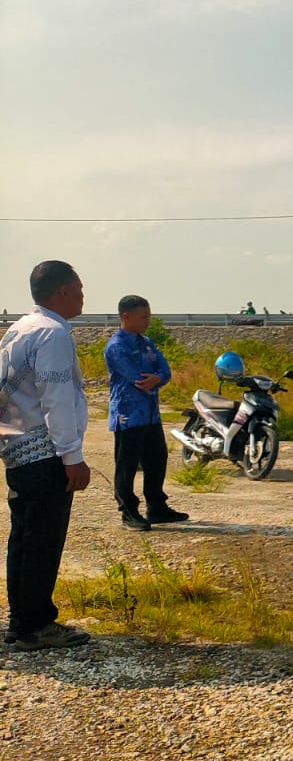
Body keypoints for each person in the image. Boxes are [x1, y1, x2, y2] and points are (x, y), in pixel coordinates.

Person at [1, 261, 92, 651]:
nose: (84, 296)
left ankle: (21, 621)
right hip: (45, 453)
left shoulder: (20, 328)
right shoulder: (53, 334)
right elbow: (56, 399)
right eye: (81, 288)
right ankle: (35, 625)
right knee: (42, 538)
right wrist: (72, 455)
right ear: (64, 292)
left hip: (19, 448)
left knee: (23, 537)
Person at [105, 295, 187, 531]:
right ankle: (128, 511)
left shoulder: (147, 343)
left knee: (157, 458)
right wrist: (153, 379)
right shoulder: (117, 346)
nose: (147, 321)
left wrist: (158, 378)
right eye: (143, 317)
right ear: (126, 317)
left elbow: (165, 370)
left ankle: (157, 506)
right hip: (128, 415)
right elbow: (136, 377)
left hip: (150, 414)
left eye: (148, 316)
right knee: (127, 464)